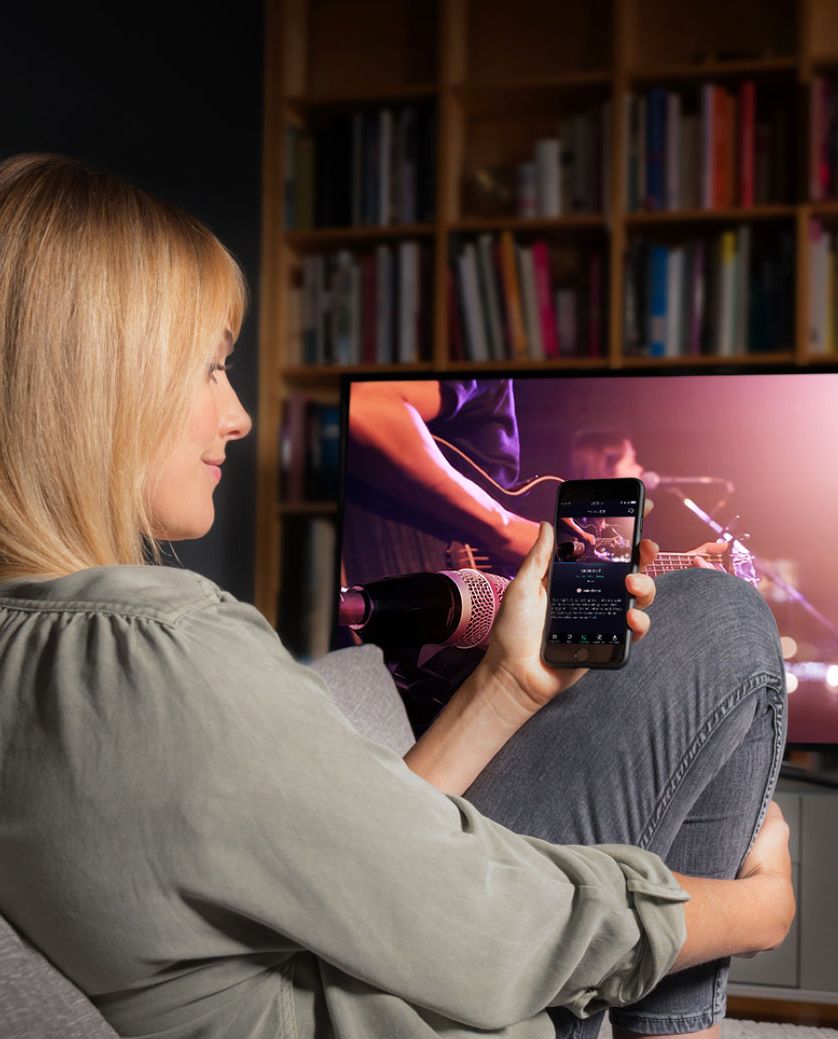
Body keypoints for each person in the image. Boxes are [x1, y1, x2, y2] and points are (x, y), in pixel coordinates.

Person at [0, 153, 793, 1039]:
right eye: (209, 368)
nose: (241, 416)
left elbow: (353, 860)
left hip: (349, 959)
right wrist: (751, 910)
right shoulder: (165, 653)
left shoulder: (34, 654)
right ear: (100, 381)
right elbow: (494, 929)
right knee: (720, 619)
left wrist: (505, 687)